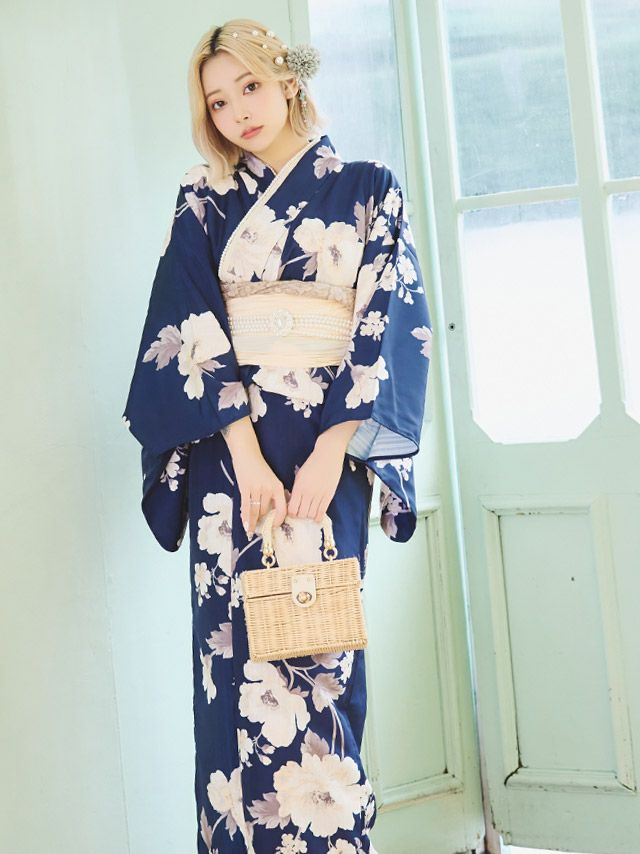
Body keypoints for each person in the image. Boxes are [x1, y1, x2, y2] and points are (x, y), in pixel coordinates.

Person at [122, 16, 433, 854]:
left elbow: (386, 326)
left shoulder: (368, 188)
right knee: (231, 676)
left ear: (289, 79)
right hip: (234, 470)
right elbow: (185, 324)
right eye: (219, 103)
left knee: (322, 666)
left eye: (249, 87)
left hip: (327, 462)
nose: (238, 114)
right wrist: (243, 453)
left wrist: (332, 452)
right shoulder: (203, 197)